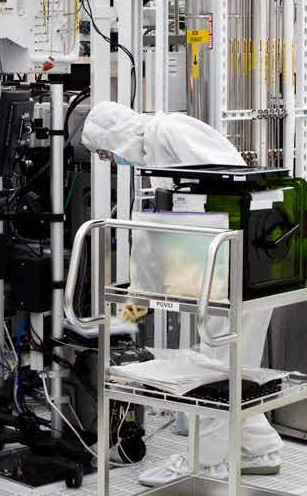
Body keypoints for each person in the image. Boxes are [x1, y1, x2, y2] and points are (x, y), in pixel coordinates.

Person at [81, 101, 283, 486]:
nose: (112, 160)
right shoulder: (160, 143)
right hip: (241, 259)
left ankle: (205, 463)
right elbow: (166, 224)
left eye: (106, 153)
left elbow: (184, 212)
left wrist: (137, 301)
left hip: (235, 262)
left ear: (115, 136)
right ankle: (260, 448)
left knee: (216, 369)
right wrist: (141, 295)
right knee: (234, 365)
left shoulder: (166, 135)